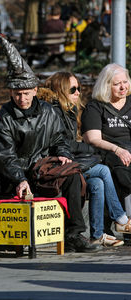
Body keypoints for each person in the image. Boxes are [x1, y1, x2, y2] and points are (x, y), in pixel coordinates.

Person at [0, 35, 102, 259]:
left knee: (71, 176)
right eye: (17, 94)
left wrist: (63, 155)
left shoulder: (49, 112)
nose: (22, 98)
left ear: (35, 91)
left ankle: (75, 234)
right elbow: (4, 156)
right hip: (11, 171)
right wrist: (20, 178)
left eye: (26, 92)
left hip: (41, 168)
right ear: (11, 93)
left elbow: (59, 139)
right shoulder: (3, 117)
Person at [40, 71, 131, 246]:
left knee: (97, 183)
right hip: (55, 164)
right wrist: (90, 148)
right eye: (73, 89)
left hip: (68, 160)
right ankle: (120, 219)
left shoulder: (69, 111)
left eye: (79, 88)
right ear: (61, 91)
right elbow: (62, 144)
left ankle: (97, 234)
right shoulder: (55, 112)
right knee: (104, 169)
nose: (78, 93)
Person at [81, 63, 131, 244]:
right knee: (121, 171)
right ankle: (123, 222)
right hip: (107, 153)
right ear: (106, 85)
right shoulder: (96, 107)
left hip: (129, 153)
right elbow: (92, 138)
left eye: (125, 82)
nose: (123, 87)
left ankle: (121, 222)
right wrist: (117, 149)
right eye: (117, 84)